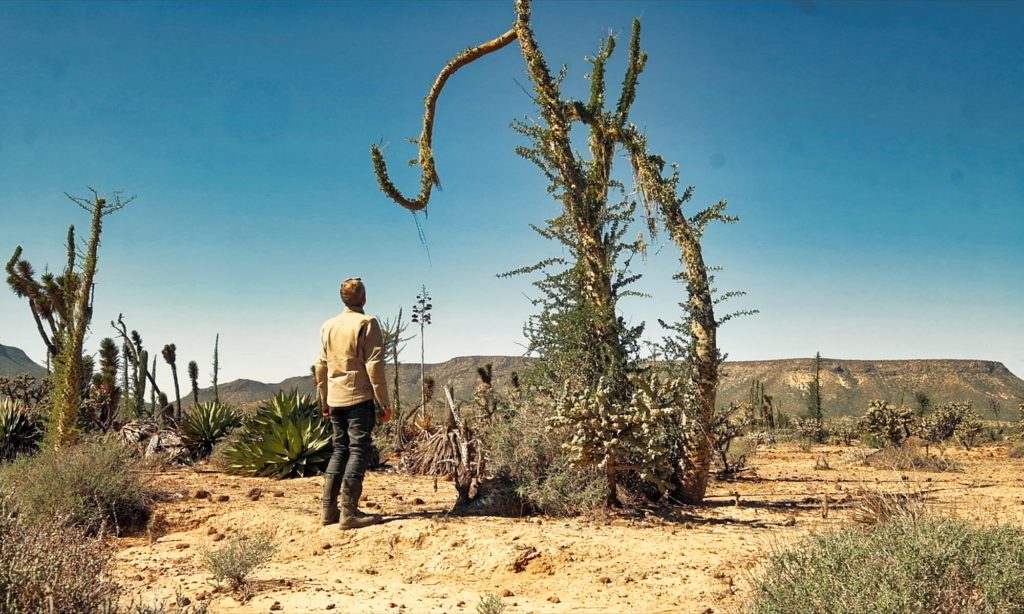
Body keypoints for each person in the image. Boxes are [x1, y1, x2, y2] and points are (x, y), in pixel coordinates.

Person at [314, 277, 392, 529]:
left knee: (340, 449)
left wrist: (323, 399)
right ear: (364, 297)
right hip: (359, 396)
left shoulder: (328, 325)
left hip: (335, 397)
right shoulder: (366, 323)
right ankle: (349, 512)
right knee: (359, 449)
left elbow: (321, 365)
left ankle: (328, 511)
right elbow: (374, 365)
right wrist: (383, 402)